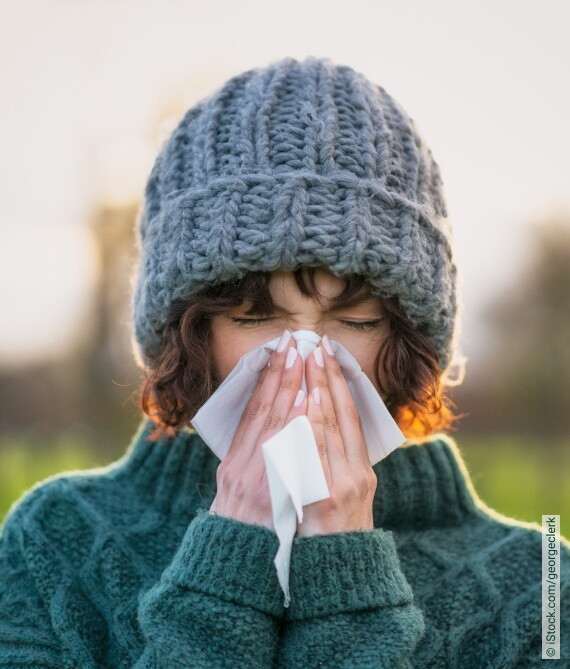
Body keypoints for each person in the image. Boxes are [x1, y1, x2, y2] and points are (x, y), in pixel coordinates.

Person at [0, 55, 568, 668]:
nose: (304, 360)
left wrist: (346, 584)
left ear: (409, 338)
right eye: (253, 317)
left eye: (355, 321)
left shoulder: (543, 584)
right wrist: (225, 571)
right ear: (187, 332)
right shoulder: (54, 539)